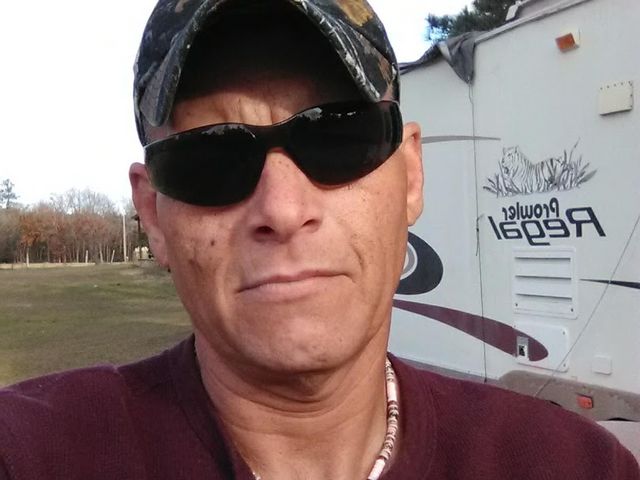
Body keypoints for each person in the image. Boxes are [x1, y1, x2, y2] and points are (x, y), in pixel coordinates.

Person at [0, 0, 638, 479]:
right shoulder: (36, 451)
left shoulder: (574, 466)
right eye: (211, 157)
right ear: (153, 215)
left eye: (338, 136)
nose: (283, 210)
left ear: (412, 175)